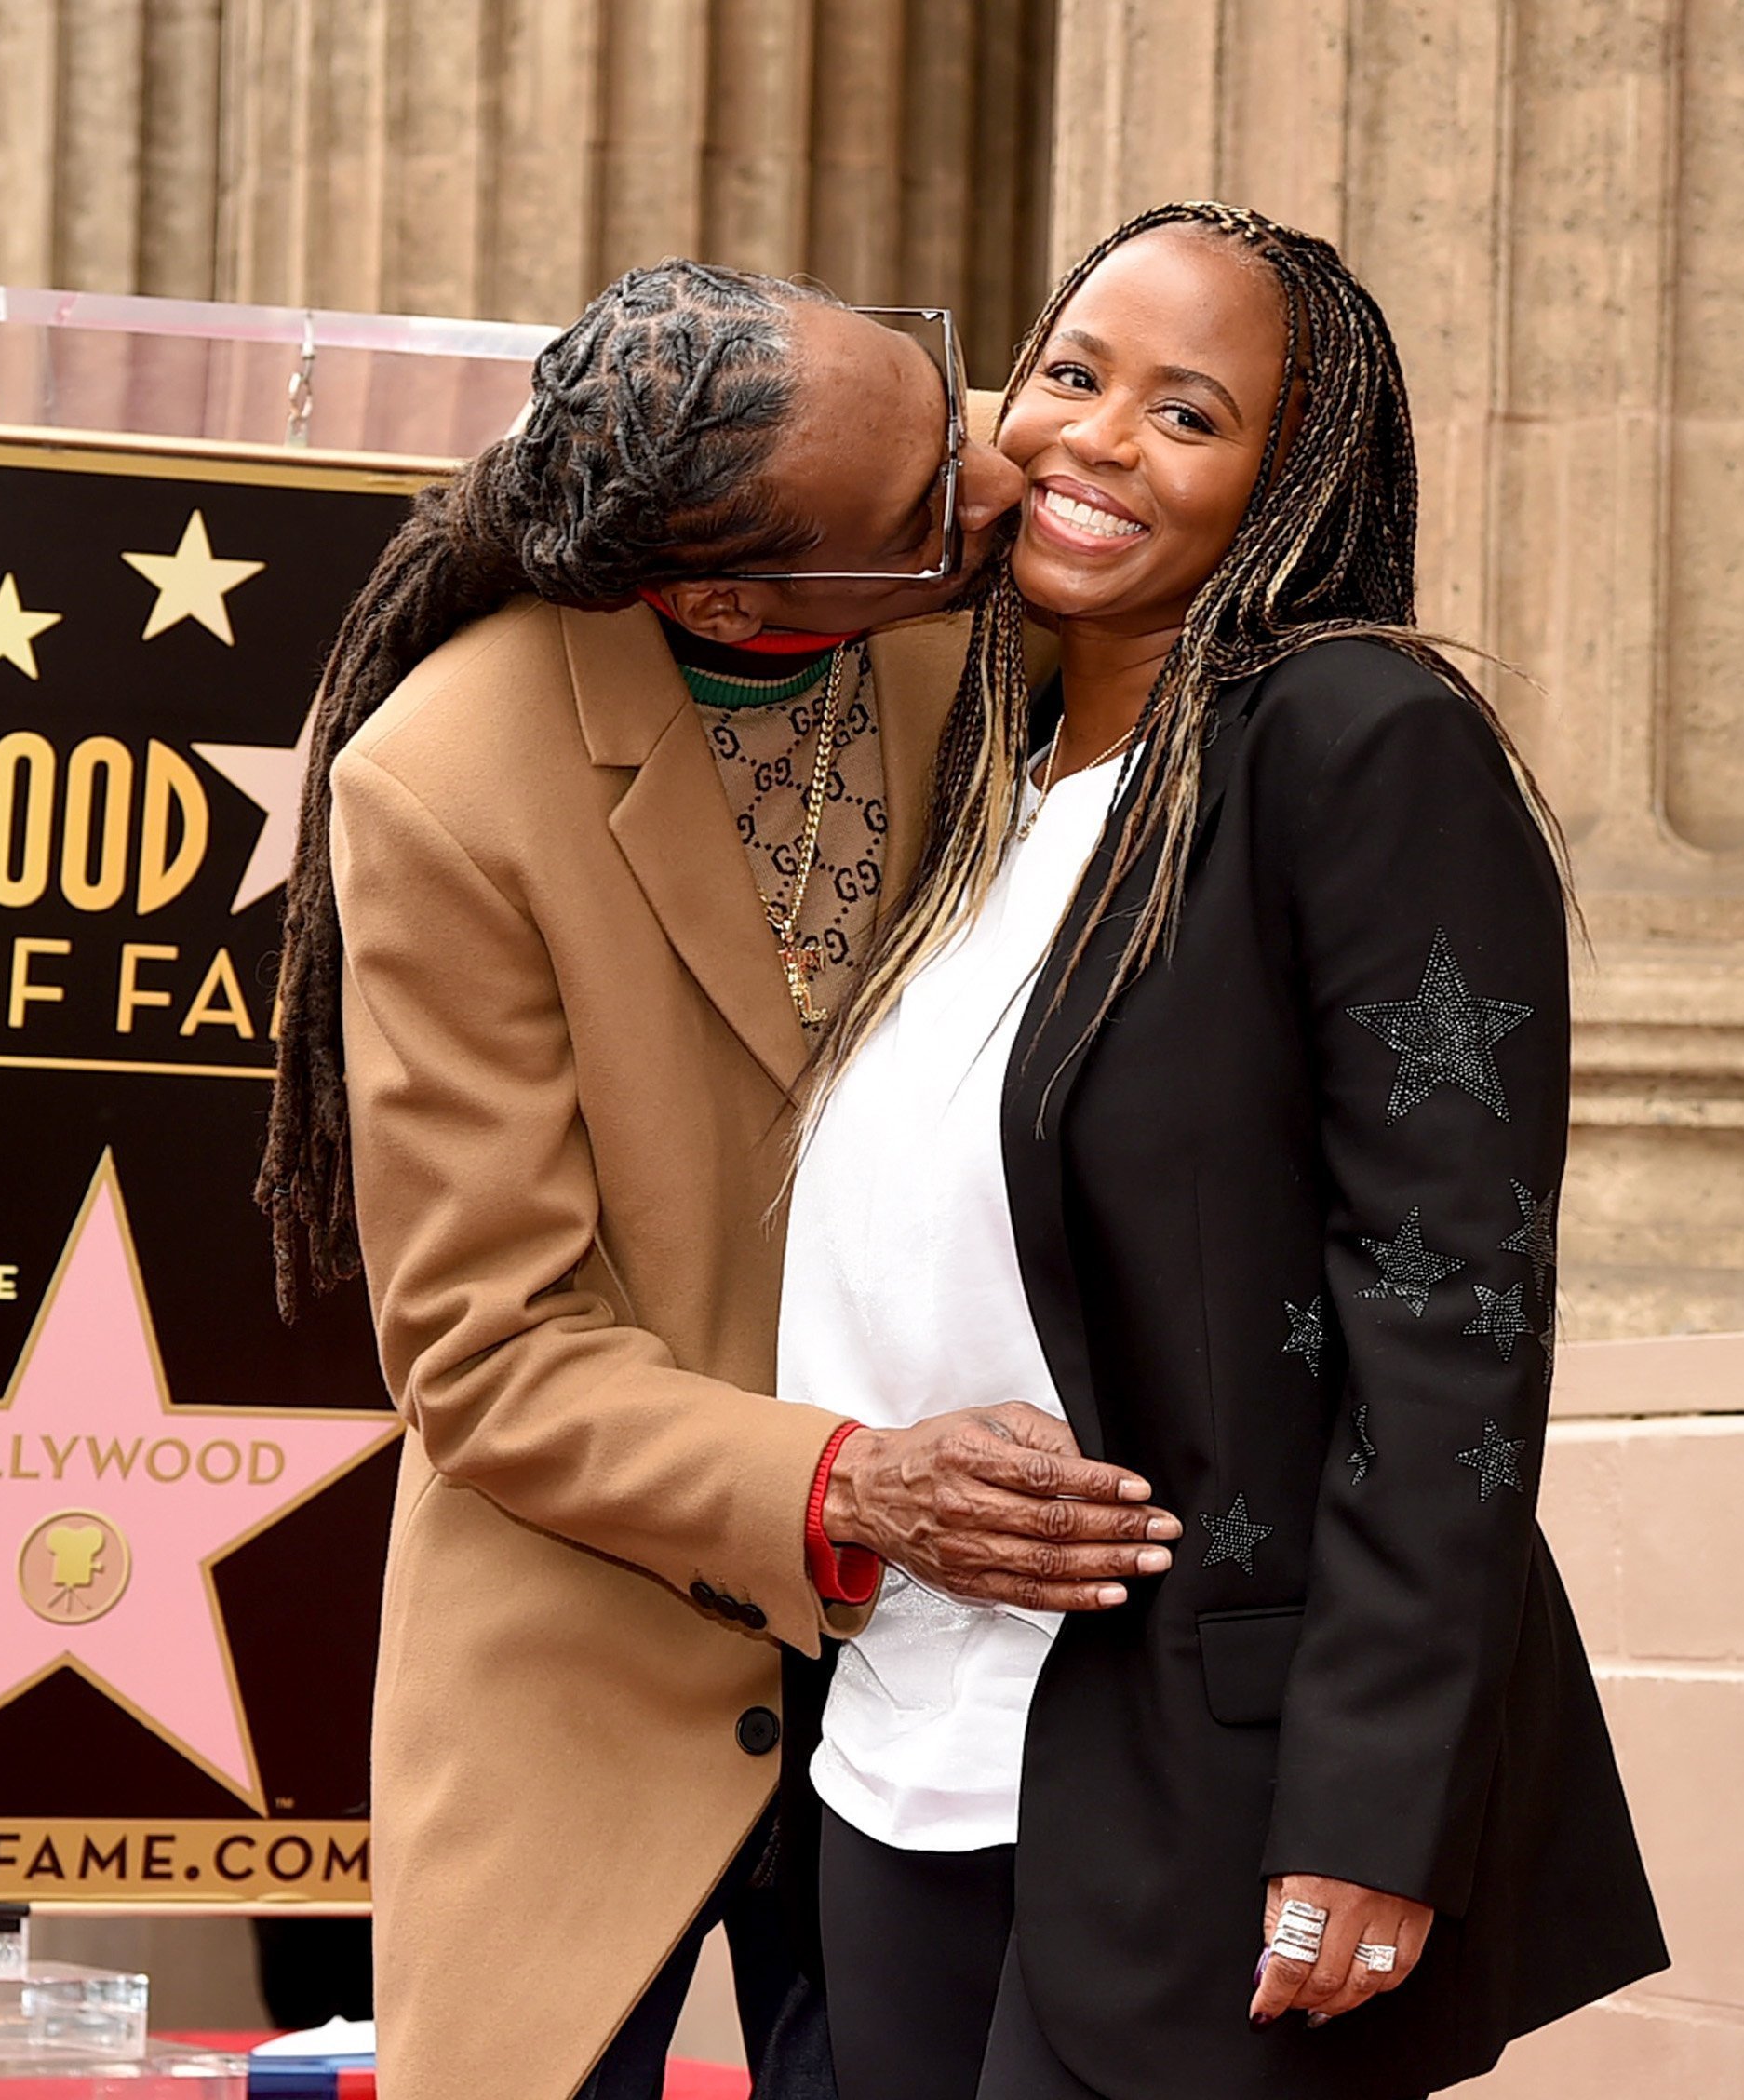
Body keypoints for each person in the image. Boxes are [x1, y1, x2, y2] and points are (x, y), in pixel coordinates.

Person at [259, 261, 1186, 2100]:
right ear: (733, 595)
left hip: (962, 1674)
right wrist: (855, 1487)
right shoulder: (441, 784)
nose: (1003, 469)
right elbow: (488, 1357)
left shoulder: (979, 559)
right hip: (594, 1666)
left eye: (953, 391)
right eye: (938, 492)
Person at [784, 202, 1669, 2100]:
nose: (1098, 438)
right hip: (902, 1744)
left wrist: (1372, 1801)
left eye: (1190, 415)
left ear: (1292, 481)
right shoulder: (973, 771)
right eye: (1077, 375)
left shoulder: (1353, 740)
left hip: (1201, 1759)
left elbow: (1452, 1312)